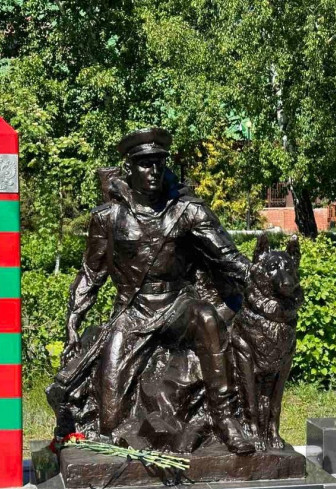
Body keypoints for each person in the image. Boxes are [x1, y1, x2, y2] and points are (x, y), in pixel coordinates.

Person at [52, 127, 255, 455]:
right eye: (145, 163)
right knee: (109, 418)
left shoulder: (187, 211)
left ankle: (226, 418)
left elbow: (229, 258)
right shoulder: (108, 218)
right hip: (133, 312)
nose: (154, 170)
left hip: (178, 304)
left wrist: (262, 281)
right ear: (130, 168)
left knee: (207, 319)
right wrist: (73, 324)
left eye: (159, 162)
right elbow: (91, 275)